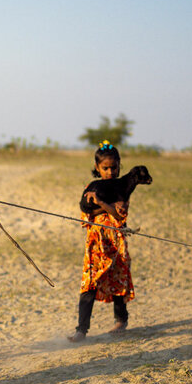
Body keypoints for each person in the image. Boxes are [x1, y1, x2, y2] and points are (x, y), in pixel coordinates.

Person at [67, 141, 135, 342]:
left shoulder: (123, 188)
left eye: (114, 167)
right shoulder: (92, 187)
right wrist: (101, 206)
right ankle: (81, 330)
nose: (110, 172)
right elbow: (85, 211)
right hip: (95, 245)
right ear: (97, 168)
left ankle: (121, 320)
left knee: (118, 282)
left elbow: (120, 213)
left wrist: (102, 203)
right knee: (89, 284)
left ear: (119, 165)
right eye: (105, 168)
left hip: (115, 244)